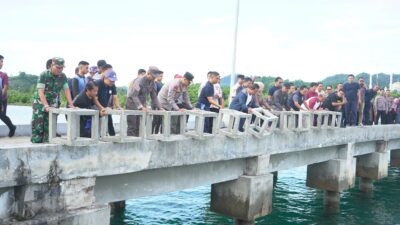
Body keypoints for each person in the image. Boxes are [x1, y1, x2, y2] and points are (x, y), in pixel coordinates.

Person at [31, 57, 74, 143]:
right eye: (58, 67)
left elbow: (66, 90)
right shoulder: (44, 75)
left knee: (50, 126)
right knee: (38, 126)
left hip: (53, 103)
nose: (60, 70)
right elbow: (40, 92)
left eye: (62, 67)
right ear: (52, 65)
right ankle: (36, 142)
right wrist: (46, 105)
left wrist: (71, 104)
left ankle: (48, 142)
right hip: (40, 103)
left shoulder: (63, 76)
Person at [125, 66, 163, 136]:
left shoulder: (153, 83)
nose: (154, 79)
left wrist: (159, 107)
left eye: (155, 77)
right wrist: (141, 107)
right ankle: (131, 144)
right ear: (148, 73)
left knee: (140, 126)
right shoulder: (139, 81)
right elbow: (134, 95)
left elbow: (154, 97)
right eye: (153, 77)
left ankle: (138, 143)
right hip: (132, 104)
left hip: (142, 104)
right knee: (132, 126)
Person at [95, 68, 122, 136]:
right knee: (96, 123)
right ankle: (98, 136)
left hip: (105, 106)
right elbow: (94, 99)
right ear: (105, 78)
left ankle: (112, 136)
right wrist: (101, 108)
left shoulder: (112, 85)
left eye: (113, 81)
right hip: (95, 105)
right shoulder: (98, 84)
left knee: (109, 120)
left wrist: (118, 107)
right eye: (111, 80)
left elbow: (115, 97)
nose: (112, 82)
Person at [0, 55, 16, 137]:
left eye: (2, 61)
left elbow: (5, 88)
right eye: (0, 61)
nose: (2, 63)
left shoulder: (3, 75)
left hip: (2, 99)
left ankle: (12, 127)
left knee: (2, 115)